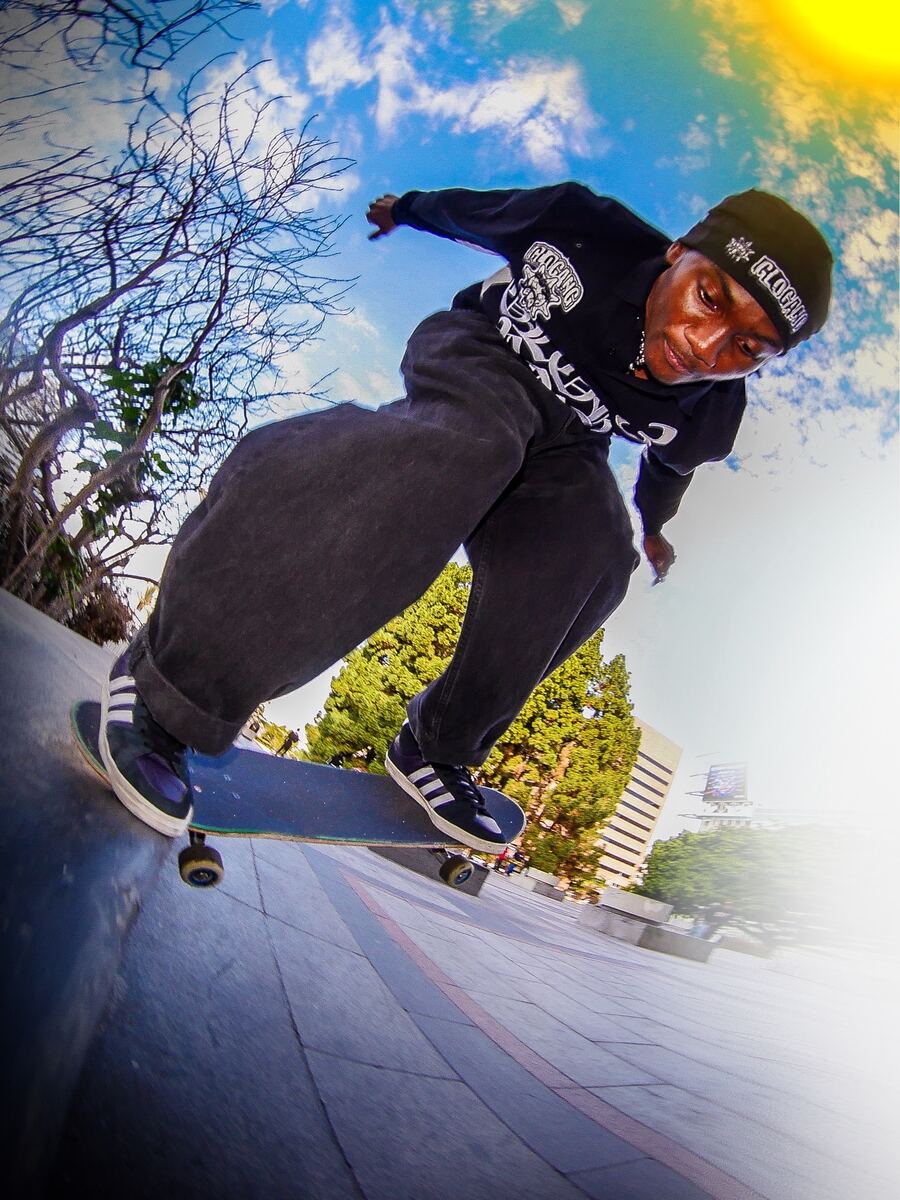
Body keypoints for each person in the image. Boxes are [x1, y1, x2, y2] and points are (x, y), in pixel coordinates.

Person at [99, 182, 832, 855]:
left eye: (746, 349)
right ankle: (172, 686)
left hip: (568, 444)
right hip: (482, 354)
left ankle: (437, 746)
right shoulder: (580, 227)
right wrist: (404, 208)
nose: (703, 348)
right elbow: (472, 213)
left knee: (597, 556)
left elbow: (667, 469)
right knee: (468, 447)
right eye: (709, 299)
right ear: (678, 254)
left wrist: (652, 528)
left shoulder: (710, 414)